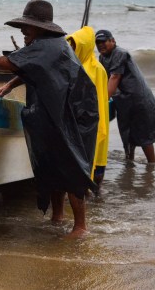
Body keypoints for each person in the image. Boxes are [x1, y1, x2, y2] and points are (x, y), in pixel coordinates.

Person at [0, 0, 98, 237]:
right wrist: (9, 86)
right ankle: (58, 216)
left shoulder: (47, 46)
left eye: (28, 27)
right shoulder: (47, 46)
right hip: (60, 112)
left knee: (70, 165)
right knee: (52, 164)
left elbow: (11, 62)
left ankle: (81, 227)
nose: (23, 32)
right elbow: (29, 69)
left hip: (73, 114)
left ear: (41, 28)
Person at [95, 29, 155, 163]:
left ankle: (151, 164)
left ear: (113, 41)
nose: (100, 45)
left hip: (137, 99)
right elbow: (103, 78)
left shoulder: (119, 53)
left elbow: (115, 77)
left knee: (143, 134)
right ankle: (129, 162)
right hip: (122, 100)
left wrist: (102, 100)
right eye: (97, 42)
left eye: (103, 41)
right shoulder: (102, 57)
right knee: (126, 133)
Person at [67, 27, 110, 191]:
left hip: (94, 124)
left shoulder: (96, 69)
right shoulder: (73, 66)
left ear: (83, 46)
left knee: (94, 167)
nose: (71, 50)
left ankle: (94, 203)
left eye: (75, 46)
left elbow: (98, 102)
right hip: (78, 124)